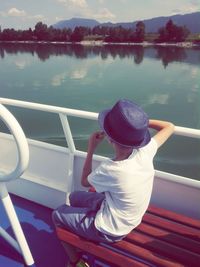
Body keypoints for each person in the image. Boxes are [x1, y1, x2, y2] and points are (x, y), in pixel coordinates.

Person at [52, 99, 175, 267]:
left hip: (111, 230)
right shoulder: (145, 151)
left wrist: (91, 147)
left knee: (57, 214)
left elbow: (84, 181)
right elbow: (169, 127)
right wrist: (137, 127)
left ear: (109, 139)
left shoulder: (111, 168)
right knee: (74, 197)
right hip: (129, 217)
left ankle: (76, 262)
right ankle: (82, 232)